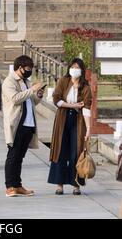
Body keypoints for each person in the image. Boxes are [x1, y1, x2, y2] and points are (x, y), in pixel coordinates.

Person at [48, 58, 92, 196]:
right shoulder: (63, 81)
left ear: (82, 70)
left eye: (77, 67)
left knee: (76, 152)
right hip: (63, 118)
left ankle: (76, 185)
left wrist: (89, 128)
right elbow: (57, 100)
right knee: (60, 150)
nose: (74, 69)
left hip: (78, 121)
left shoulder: (85, 86)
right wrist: (72, 105)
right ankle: (59, 185)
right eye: (72, 66)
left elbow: (86, 108)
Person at [2, 55, 45, 197]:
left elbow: (32, 101)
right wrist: (32, 89)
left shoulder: (26, 82)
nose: (29, 71)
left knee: (20, 157)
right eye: (27, 68)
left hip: (28, 124)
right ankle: (9, 186)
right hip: (16, 124)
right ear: (20, 68)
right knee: (13, 156)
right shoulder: (9, 81)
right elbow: (15, 99)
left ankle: (18, 185)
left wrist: (38, 94)